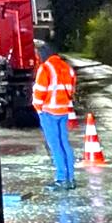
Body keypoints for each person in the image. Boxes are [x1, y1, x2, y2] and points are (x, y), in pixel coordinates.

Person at [33, 42, 78, 190]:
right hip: (63, 111)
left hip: (48, 112)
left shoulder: (45, 68)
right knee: (65, 144)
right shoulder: (67, 68)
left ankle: (61, 178)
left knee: (55, 145)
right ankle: (71, 178)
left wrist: (38, 108)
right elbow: (71, 91)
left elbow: (39, 92)